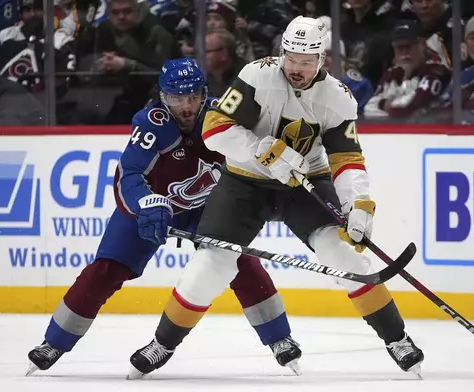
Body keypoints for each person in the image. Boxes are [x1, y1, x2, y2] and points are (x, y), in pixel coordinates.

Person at [127, 16, 424, 380]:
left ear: (321, 60)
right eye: (290, 57)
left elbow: (346, 159)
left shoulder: (338, 98)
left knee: (344, 255)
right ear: (281, 52)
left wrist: (358, 204)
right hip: (244, 184)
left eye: (305, 60)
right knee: (209, 268)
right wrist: (260, 148)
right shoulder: (257, 76)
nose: (296, 68)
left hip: (304, 183)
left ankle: (398, 339)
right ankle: (163, 344)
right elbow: (214, 129)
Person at [26, 58, 302, 376]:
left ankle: (280, 339)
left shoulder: (222, 117)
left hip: (206, 210)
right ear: (162, 97)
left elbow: (253, 158)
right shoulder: (150, 124)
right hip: (153, 209)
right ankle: (54, 342)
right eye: (176, 97)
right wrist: (146, 204)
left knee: (239, 262)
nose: (186, 106)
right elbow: (128, 174)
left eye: (193, 96)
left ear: (204, 94)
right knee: (104, 271)